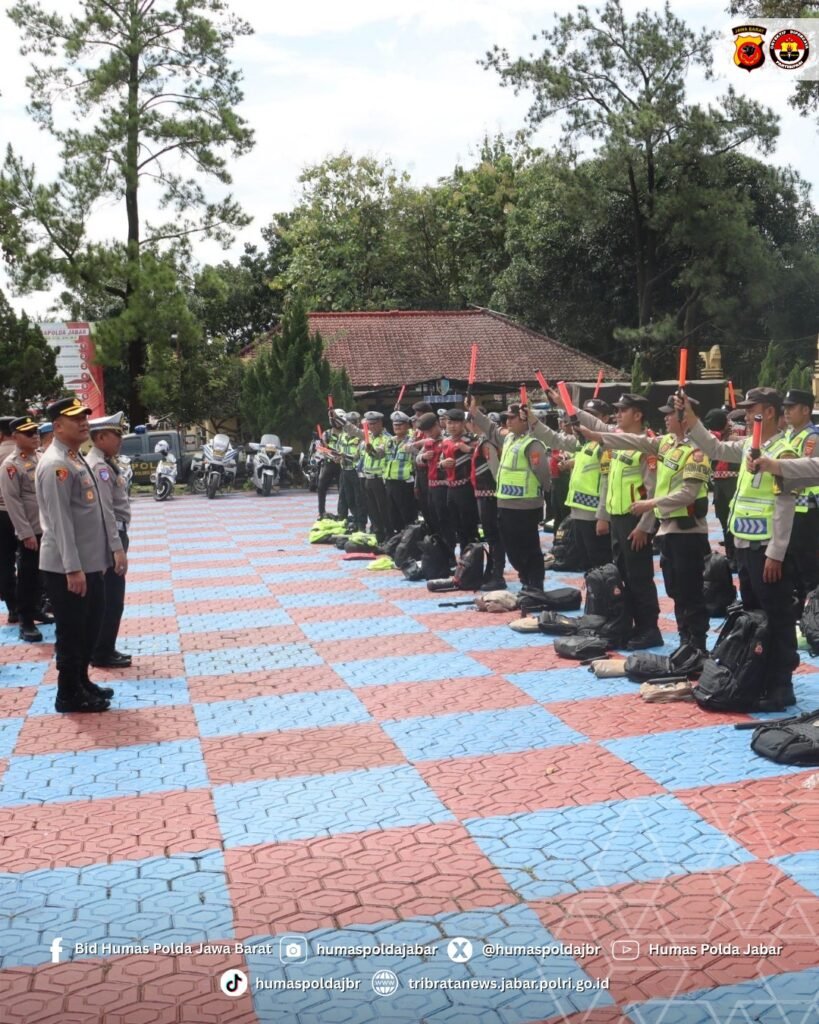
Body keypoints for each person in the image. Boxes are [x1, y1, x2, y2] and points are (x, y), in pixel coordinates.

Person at [678, 388, 799, 711]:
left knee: (776, 616)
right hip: (745, 546)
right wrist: (690, 417)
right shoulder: (751, 445)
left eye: (752, 409)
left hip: (766, 550)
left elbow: (785, 505)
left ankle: (780, 685)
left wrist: (776, 551)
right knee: (755, 616)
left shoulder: (783, 452)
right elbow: (715, 446)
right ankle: (758, 676)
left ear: (769, 412)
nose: (745, 414)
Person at [583, 395, 711, 652]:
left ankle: (691, 644)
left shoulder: (697, 451)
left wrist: (647, 516)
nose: (665, 417)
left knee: (685, 591)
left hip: (686, 529)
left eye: (670, 413)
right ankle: (684, 642)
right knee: (674, 590)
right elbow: (628, 439)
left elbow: (685, 493)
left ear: (686, 417)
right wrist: (595, 434)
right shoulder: (665, 444)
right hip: (666, 528)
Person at [36, 397, 126, 713]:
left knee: (90, 626)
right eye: (76, 418)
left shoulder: (75, 458)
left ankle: (81, 681)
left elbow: (98, 512)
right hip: (66, 568)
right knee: (72, 632)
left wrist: (109, 553)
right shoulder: (56, 464)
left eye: (85, 416)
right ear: (58, 426)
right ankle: (67, 693)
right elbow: (59, 523)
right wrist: (73, 569)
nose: (84, 422)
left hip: (89, 564)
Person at [571, 392, 661, 649]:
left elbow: (653, 490)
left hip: (635, 521)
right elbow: (596, 427)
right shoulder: (618, 440)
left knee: (639, 578)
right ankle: (629, 624)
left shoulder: (646, 445)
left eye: (623, 410)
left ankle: (649, 629)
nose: (617, 414)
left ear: (638, 414)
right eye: (617, 411)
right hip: (618, 519)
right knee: (622, 577)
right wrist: (564, 404)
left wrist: (645, 526)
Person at [469, 398, 551, 590]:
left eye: (513, 418)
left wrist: (543, 493)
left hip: (526, 505)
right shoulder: (510, 439)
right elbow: (490, 429)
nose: (508, 421)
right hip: (505, 503)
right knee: (512, 548)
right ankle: (525, 579)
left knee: (529, 547)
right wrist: (474, 411)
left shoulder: (533, 443)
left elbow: (543, 473)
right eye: (506, 418)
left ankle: (535, 584)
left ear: (525, 420)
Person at [526, 398, 613, 571]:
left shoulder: (606, 445)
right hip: (578, 513)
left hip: (594, 515)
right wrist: (532, 419)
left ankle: (607, 596)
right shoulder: (583, 443)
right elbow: (554, 438)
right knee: (587, 564)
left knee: (601, 564)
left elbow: (607, 482)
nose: (585, 420)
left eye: (593, 416)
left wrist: (603, 516)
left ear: (605, 419)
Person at [0, 416, 54, 641]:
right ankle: (25, 620)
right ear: (15, 437)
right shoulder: (11, 465)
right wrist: (25, 533)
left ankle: (35, 609)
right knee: (27, 574)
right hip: (30, 529)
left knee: (43, 573)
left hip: (47, 528)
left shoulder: (42, 458)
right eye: (28, 433)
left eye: (36, 432)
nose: (35, 436)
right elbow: (13, 502)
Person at [86, 411, 132, 668]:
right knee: (112, 599)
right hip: (111, 536)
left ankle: (105, 648)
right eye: (116, 435)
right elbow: (105, 511)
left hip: (114, 534)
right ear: (101, 437)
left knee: (112, 598)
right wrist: (117, 548)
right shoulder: (100, 468)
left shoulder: (105, 462)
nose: (120, 440)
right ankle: (101, 652)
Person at [781, 388, 819, 613]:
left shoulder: (811, 438)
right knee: (791, 563)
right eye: (785, 407)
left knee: (806, 564)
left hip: (807, 508)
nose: (786, 412)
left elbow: (804, 471)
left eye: (791, 407)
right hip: (790, 507)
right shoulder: (788, 435)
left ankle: (811, 613)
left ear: (806, 410)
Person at [471, 409, 506, 590]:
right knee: (491, 536)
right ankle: (492, 571)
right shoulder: (482, 441)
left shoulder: (487, 443)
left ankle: (497, 574)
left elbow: (495, 470)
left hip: (490, 495)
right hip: (484, 494)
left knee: (494, 536)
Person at [344, 411, 392, 542]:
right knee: (372, 510)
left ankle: (388, 535)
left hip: (379, 479)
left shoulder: (387, 438)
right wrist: (342, 457)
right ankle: (378, 535)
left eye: (374, 424)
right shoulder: (367, 436)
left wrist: (371, 449)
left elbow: (378, 454)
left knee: (383, 510)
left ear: (381, 423)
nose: (371, 426)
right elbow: (353, 431)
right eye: (369, 424)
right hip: (367, 478)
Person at [440, 408, 479, 554]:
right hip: (450, 488)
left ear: (463, 423)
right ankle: (463, 558)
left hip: (467, 487)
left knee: (469, 525)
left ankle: (472, 557)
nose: (452, 426)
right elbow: (440, 461)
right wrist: (442, 464)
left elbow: (483, 457)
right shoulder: (446, 441)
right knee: (455, 525)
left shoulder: (472, 439)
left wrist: (468, 450)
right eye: (449, 423)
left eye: (456, 423)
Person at [704, 409, 738, 567]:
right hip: (719, 483)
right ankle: (731, 555)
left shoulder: (736, 432)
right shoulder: (714, 435)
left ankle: (736, 555)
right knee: (724, 520)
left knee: (734, 521)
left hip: (734, 483)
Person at [383, 411, 417, 534]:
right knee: (392, 513)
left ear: (407, 426)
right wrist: (371, 450)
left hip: (405, 482)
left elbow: (416, 455)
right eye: (395, 425)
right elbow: (378, 453)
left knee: (407, 513)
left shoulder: (412, 440)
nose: (397, 427)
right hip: (390, 481)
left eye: (400, 425)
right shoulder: (389, 441)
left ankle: (408, 538)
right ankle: (397, 538)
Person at [0, 415, 18, 624]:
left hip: (1, 514)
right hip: (25, 515)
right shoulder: (26, 454)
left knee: (5, 562)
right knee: (30, 563)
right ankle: (30, 606)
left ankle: (13, 608)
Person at [335, 412, 366, 530]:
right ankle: (353, 520)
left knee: (359, 499)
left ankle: (361, 524)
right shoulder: (342, 435)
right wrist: (336, 457)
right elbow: (338, 449)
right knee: (348, 498)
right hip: (344, 470)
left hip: (356, 471)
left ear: (358, 423)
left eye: (354, 422)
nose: (351, 425)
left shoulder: (361, 436)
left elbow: (360, 456)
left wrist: (345, 455)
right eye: (349, 422)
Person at [316, 415, 343, 519]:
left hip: (341, 465)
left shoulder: (346, 434)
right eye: (335, 421)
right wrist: (326, 450)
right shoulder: (327, 433)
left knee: (342, 491)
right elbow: (321, 449)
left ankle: (341, 513)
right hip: (329, 464)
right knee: (321, 487)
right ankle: (321, 512)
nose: (337, 423)